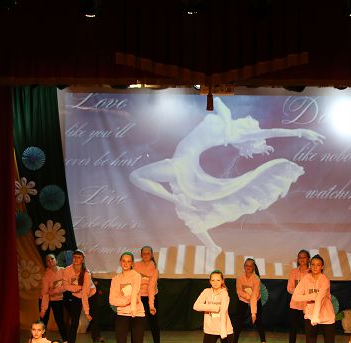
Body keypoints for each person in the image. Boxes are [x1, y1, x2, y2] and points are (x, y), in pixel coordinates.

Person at [129, 97, 325, 272]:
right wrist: (211, 94)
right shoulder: (227, 119)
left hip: (182, 164)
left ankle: (177, 201)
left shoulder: (235, 135)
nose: (250, 122)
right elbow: (216, 100)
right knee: (190, 212)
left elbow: (271, 131)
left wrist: (299, 132)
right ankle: (212, 247)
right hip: (186, 162)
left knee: (137, 176)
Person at [291, 254, 335, 343]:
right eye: (313, 264)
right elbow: (295, 296)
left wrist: (316, 316)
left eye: (318, 265)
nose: (315, 267)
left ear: (322, 267)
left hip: (326, 315)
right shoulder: (306, 278)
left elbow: (320, 298)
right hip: (311, 315)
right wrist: (310, 296)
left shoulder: (324, 280)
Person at [193, 270, 236, 343]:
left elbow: (223, 312)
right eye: (213, 280)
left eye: (218, 280)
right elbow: (196, 306)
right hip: (210, 330)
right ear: (210, 281)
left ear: (222, 281)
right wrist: (214, 307)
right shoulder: (206, 292)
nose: (215, 282)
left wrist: (223, 332)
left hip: (225, 330)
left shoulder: (224, 294)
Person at [109, 251, 145, 343]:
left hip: (137, 314)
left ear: (132, 263)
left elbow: (135, 293)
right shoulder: (116, 279)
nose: (126, 263)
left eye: (128, 261)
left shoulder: (136, 276)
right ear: (120, 262)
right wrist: (126, 301)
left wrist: (133, 308)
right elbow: (112, 300)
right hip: (122, 314)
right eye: (123, 261)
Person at [127, 246, 163, 343]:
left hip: (151, 297)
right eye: (143, 253)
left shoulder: (154, 269)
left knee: (154, 323)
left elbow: (151, 288)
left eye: (148, 253)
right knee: (135, 322)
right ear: (141, 255)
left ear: (151, 255)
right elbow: (133, 283)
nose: (145, 255)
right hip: (137, 296)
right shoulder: (136, 266)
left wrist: (151, 306)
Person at [62, 250, 93, 343]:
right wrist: (76, 288)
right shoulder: (67, 270)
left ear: (82, 259)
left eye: (79, 257)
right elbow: (65, 285)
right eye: (75, 257)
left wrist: (87, 312)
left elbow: (84, 294)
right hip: (75, 296)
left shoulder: (86, 273)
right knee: (74, 323)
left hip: (90, 296)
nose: (76, 259)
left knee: (93, 321)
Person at [233, 258, 267, 343]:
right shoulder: (240, 278)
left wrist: (253, 313)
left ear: (253, 267)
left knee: (259, 321)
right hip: (243, 299)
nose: (248, 267)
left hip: (255, 300)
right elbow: (239, 291)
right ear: (244, 266)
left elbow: (254, 296)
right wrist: (248, 296)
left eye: (250, 266)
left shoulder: (256, 279)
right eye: (246, 265)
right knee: (239, 321)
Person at [285, 249, 310, 343]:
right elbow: (289, 288)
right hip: (294, 305)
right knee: (292, 330)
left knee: (308, 331)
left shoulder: (311, 272)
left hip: (307, 306)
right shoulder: (293, 272)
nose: (302, 259)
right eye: (300, 257)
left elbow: (310, 290)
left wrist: (300, 292)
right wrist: (300, 293)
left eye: (304, 257)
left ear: (308, 259)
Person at [39, 254, 68, 343]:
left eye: (52, 259)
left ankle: (66, 341)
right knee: (43, 321)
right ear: (46, 263)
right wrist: (43, 309)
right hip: (45, 299)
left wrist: (55, 290)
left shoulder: (63, 270)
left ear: (56, 260)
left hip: (58, 299)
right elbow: (45, 293)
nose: (50, 261)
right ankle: (40, 341)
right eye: (48, 260)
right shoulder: (46, 276)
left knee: (60, 320)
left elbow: (67, 285)